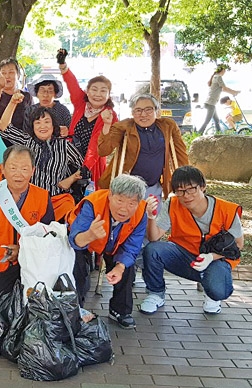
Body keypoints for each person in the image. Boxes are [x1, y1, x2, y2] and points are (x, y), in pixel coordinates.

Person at [140, 166, 243, 315]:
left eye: (191, 189)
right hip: (185, 257)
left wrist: (210, 257)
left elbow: (239, 245)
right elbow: (154, 237)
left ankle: (212, 295)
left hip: (216, 261)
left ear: (203, 187)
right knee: (153, 249)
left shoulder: (227, 209)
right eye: (180, 191)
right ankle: (156, 294)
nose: (186, 195)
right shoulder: (172, 204)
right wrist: (150, 216)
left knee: (218, 290)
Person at [0, 145, 55, 306]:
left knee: (33, 310)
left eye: (24, 168)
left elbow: (48, 236)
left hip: (32, 263)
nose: (18, 174)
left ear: (33, 170)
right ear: (2, 169)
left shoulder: (42, 196)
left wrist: (22, 250)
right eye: (13, 168)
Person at [67, 174, 147, 329]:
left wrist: (120, 266)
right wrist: (90, 235)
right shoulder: (93, 203)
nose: (124, 208)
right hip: (86, 243)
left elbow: (133, 245)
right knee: (77, 268)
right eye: (120, 200)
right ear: (110, 195)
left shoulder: (141, 212)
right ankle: (76, 310)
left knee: (127, 267)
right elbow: (74, 239)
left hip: (115, 245)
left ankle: (119, 311)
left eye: (132, 203)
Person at [0, 97, 84, 221]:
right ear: (32, 127)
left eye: (46, 122)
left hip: (57, 199)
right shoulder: (26, 141)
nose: (42, 126)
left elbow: (85, 168)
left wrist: (70, 179)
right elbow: (4, 127)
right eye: (37, 123)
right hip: (30, 199)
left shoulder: (65, 146)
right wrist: (12, 102)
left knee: (69, 213)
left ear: (54, 125)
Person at [97, 94, 189, 202]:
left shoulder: (168, 126)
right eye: (138, 110)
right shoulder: (124, 126)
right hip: (126, 188)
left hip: (153, 187)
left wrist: (187, 179)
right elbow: (103, 151)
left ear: (156, 111)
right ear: (132, 113)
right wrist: (107, 124)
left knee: (153, 217)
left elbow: (180, 155)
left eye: (148, 110)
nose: (143, 114)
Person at [57, 48, 118, 185]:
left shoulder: (109, 115)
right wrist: (63, 65)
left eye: (103, 91)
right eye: (94, 89)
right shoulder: (81, 104)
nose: (98, 94)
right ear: (87, 92)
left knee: (90, 198)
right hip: (70, 158)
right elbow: (72, 84)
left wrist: (86, 166)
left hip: (93, 164)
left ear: (109, 95)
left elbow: (100, 142)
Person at [0, 58, 33, 131]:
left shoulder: (26, 96)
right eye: (3, 73)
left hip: (21, 138)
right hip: (0, 137)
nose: (7, 76)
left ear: (18, 75)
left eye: (11, 72)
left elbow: (32, 118)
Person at [198, 64, 239, 134]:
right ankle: (198, 133)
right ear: (222, 70)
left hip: (210, 103)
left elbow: (221, 89)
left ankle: (219, 134)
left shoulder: (214, 77)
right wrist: (234, 92)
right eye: (224, 70)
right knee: (207, 121)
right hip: (211, 104)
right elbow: (225, 88)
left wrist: (233, 92)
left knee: (217, 120)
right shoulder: (218, 77)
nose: (224, 72)